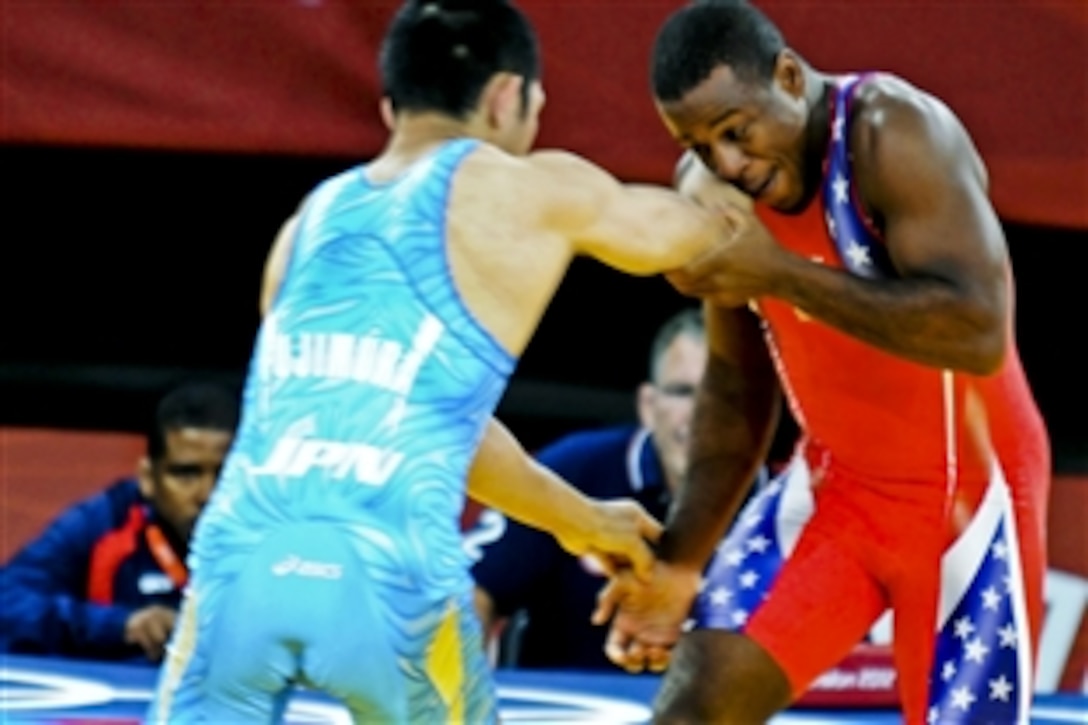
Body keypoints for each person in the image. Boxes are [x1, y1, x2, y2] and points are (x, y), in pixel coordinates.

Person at [144, 0, 741, 722]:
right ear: (505, 97)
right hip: (389, 579)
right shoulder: (528, 186)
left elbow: (427, 418)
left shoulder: (307, 223)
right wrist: (720, 170)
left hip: (237, 569)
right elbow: (709, 236)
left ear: (392, 103)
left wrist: (581, 518)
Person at [595, 2, 1051, 724]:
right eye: (700, 145)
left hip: (968, 504)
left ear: (787, 76)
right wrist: (680, 560)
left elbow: (977, 331)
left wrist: (778, 272)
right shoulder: (713, 191)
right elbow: (737, 381)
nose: (728, 164)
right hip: (838, 489)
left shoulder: (894, 132)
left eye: (736, 132)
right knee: (694, 706)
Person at [472, 307, 762, 670]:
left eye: (722, 395)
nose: (702, 412)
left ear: (759, 408)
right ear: (648, 404)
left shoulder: (786, 502)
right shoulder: (570, 469)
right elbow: (470, 591)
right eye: (683, 391)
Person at [0, 382, 238, 665]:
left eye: (226, 475)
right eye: (185, 474)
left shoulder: (280, 534)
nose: (207, 495)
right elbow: (8, 599)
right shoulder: (106, 521)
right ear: (148, 478)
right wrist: (122, 625)